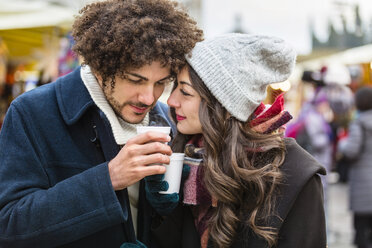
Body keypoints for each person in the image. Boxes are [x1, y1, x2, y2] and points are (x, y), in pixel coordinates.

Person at [0, 0, 203, 247]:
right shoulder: (32, 112)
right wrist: (108, 179)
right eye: (135, 80)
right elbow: (9, 225)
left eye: (161, 82)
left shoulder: (167, 119)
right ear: (100, 67)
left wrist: (165, 211)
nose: (150, 98)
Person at [149, 33, 327, 247]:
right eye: (174, 86)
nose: (171, 100)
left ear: (222, 105)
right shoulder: (185, 158)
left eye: (185, 92)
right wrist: (161, 214)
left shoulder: (295, 174)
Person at [338, 86, 372, 248]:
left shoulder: (359, 122)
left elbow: (352, 151)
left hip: (364, 182)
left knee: (361, 231)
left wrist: (342, 144)